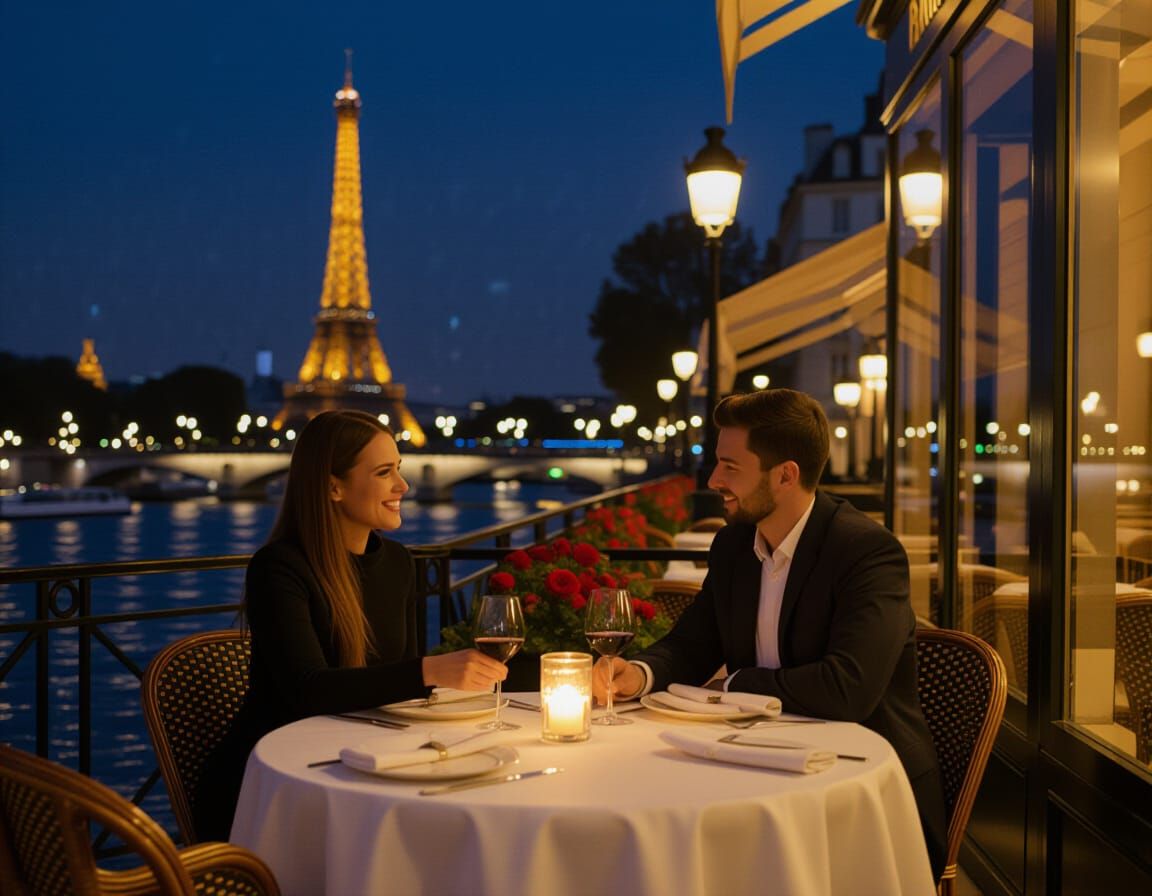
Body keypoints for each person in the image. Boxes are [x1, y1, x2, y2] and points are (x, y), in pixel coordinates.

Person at [593, 388, 947, 879]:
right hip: (756, 763)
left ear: (786, 475)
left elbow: (848, 691)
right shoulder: (735, 543)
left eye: (730, 467)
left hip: (864, 793)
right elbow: (695, 642)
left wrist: (732, 687)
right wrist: (638, 673)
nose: (714, 479)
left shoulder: (866, 552)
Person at [192, 410, 506, 841]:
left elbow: (396, 683)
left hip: (363, 760)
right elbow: (307, 690)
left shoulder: (397, 562)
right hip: (281, 785)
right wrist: (429, 672)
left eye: (399, 469)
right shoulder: (279, 568)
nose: (403, 486)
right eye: (384, 473)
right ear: (333, 486)